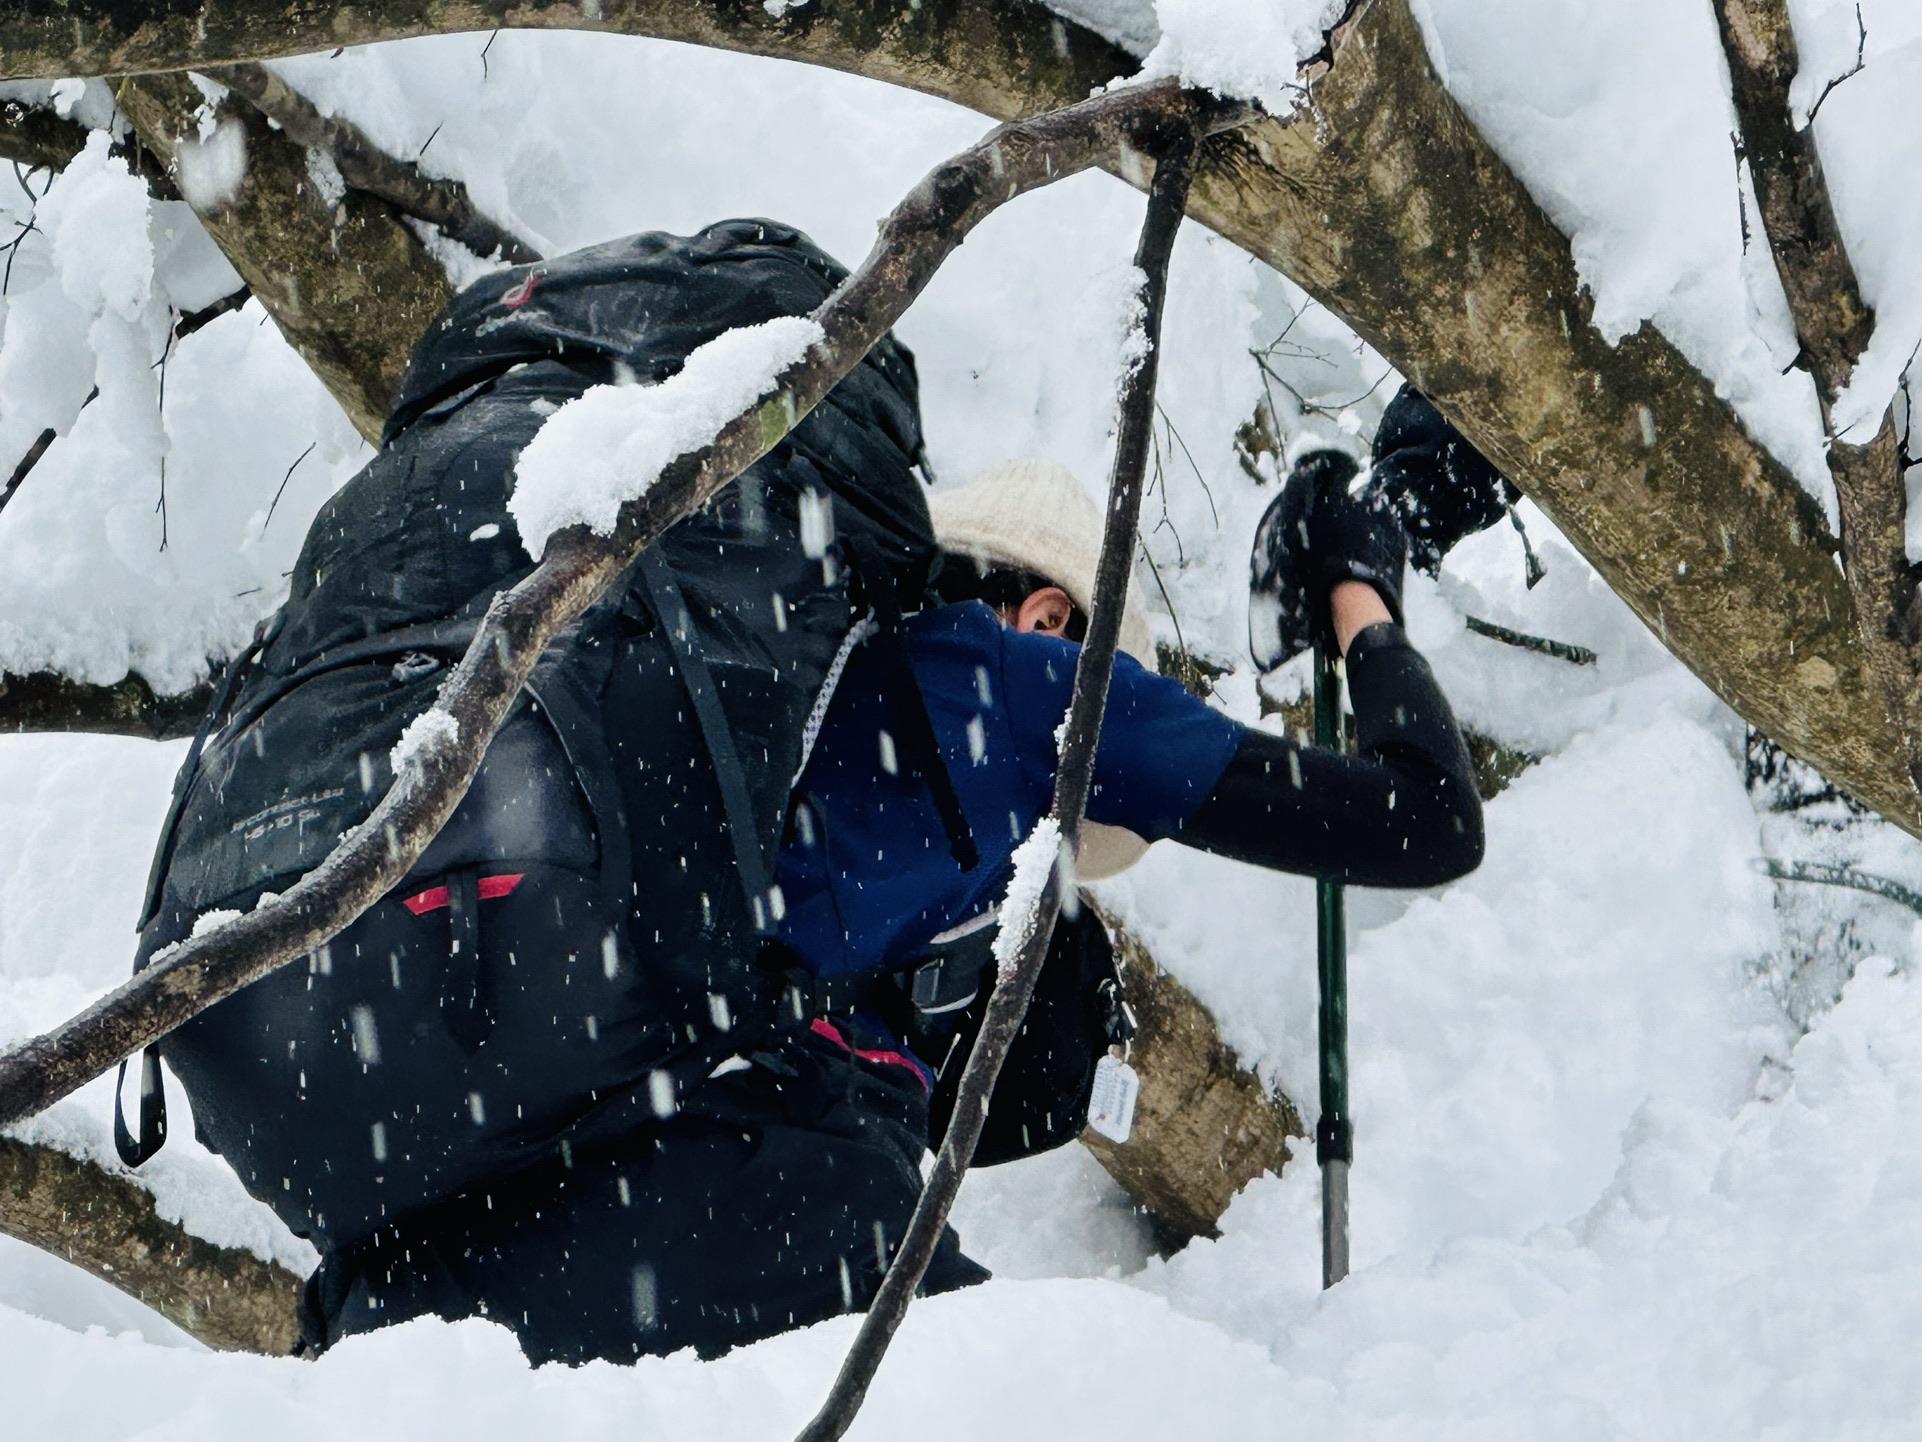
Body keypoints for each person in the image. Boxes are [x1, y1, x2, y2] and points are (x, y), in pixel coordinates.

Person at [293, 432, 1490, 1363]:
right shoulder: (1013, 683)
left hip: (413, 1272)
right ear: (1051, 617)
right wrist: (1357, 598)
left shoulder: (754, 678)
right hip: (741, 1217)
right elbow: (1423, 817)